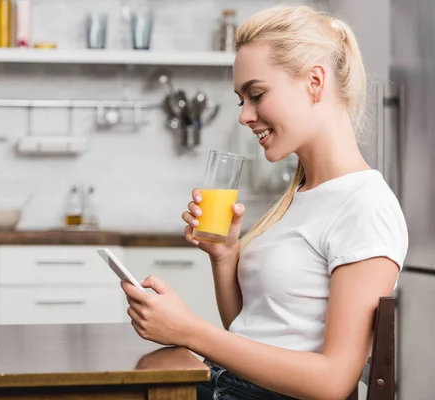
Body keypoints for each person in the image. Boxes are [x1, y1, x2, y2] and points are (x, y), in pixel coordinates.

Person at [120, 4, 408, 400]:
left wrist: (189, 331)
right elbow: (252, 329)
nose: (245, 116)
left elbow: (332, 381)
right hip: (229, 384)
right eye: (242, 100)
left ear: (315, 82)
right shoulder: (302, 196)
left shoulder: (364, 206)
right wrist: (225, 256)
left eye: (256, 94)